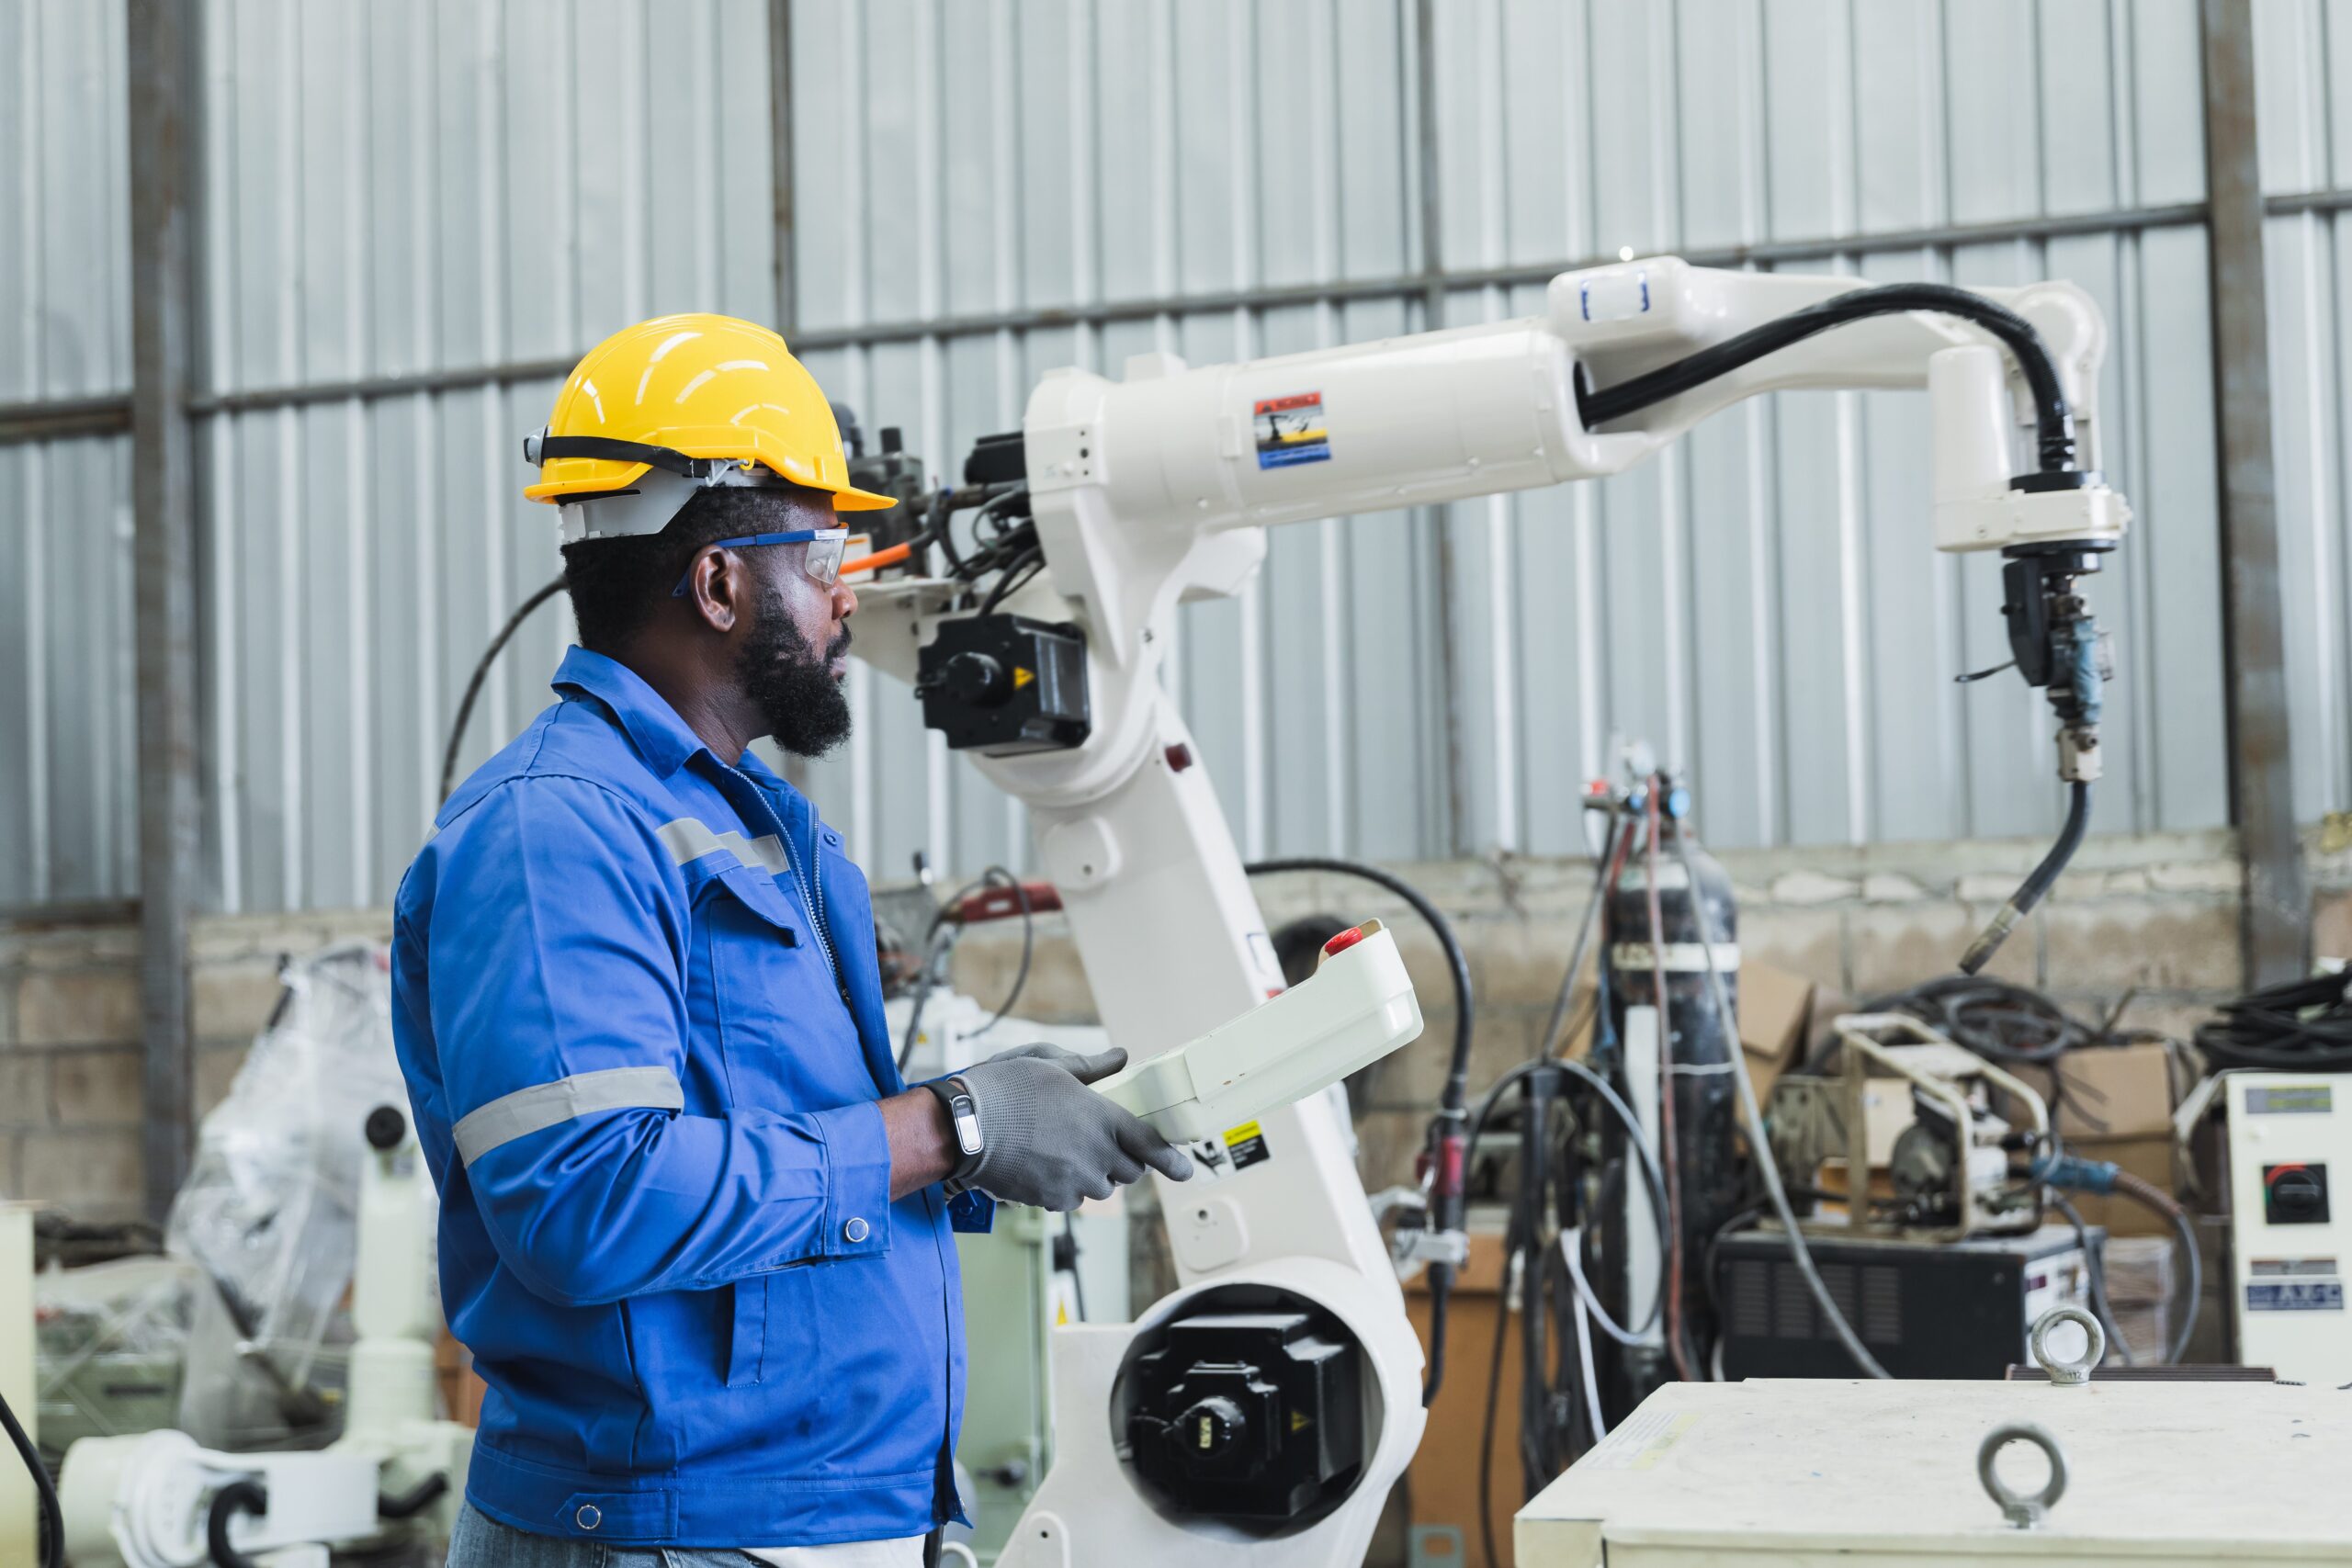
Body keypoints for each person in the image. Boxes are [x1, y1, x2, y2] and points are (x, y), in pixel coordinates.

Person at [390, 314, 1193, 1567]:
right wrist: (954, 1127)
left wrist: (988, 1132)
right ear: (718, 585)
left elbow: (781, 1140)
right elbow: (586, 1200)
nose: (850, 595)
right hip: (669, 1531)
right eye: (825, 558)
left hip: (791, 1521)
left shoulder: (751, 824)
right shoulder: (556, 830)